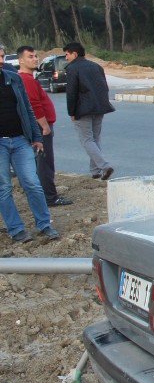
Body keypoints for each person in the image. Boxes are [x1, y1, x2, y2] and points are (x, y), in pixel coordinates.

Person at [0, 63, 58, 242]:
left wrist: (36, 136)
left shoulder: (13, 78)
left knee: (32, 183)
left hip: (20, 140)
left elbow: (27, 109)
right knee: (4, 187)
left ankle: (44, 224)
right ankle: (16, 229)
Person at [17, 46, 71, 207]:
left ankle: (43, 195)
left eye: (35, 56)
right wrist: (44, 126)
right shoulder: (26, 80)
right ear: (21, 60)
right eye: (30, 57)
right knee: (45, 163)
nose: (35, 59)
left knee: (40, 162)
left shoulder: (28, 78)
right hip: (41, 128)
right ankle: (50, 197)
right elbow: (34, 105)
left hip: (40, 126)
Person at [63, 41, 114, 180]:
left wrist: (71, 112)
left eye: (67, 54)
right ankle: (95, 171)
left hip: (83, 109)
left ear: (74, 53)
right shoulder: (96, 66)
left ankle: (105, 166)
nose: (66, 58)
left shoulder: (72, 68)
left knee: (86, 140)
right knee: (95, 139)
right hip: (100, 107)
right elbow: (105, 87)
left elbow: (71, 93)